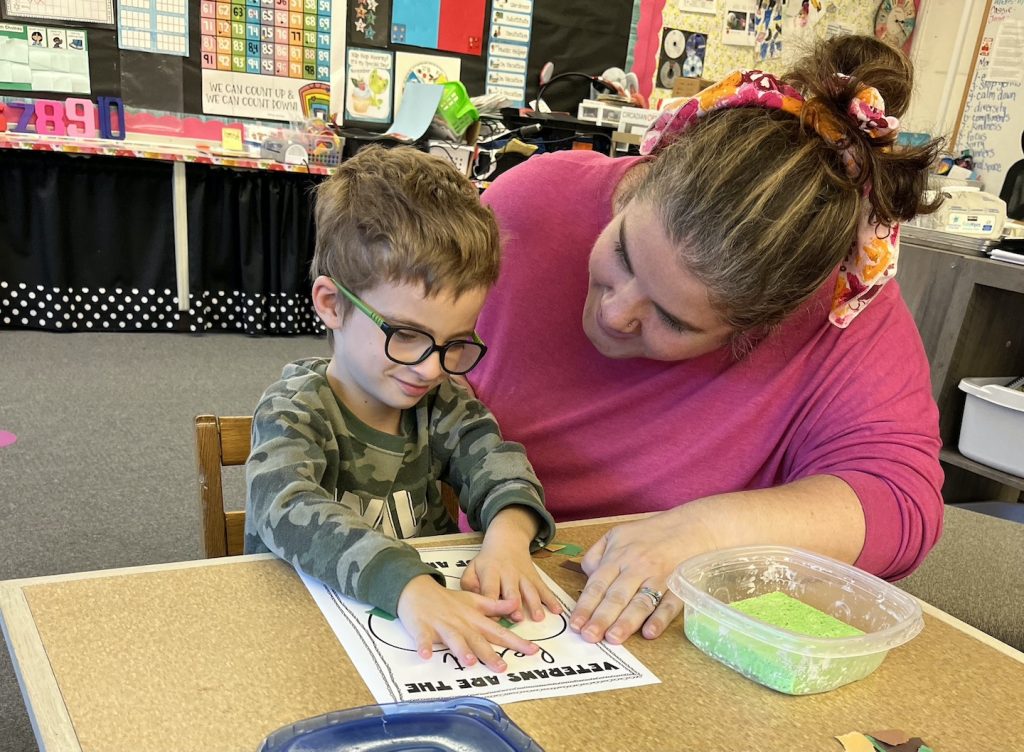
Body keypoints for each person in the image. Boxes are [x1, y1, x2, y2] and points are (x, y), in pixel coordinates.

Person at [468, 35, 945, 646]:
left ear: (761, 326)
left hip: (655, 639)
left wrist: (711, 534)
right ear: (644, 177)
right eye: (621, 251)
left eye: (675, 321)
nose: (615, 313)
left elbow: (901, 505)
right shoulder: (529, 206)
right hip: (484, 573)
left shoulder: (842, 313)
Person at [245, 146, 558, 673]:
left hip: (418, 647)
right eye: (408, 335)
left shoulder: (441, 401)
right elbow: (285, 506)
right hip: (305, 634)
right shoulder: (295, 408)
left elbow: (497, 462)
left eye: (456, 342)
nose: (432, 368)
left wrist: (509, 535)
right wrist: (407, 585)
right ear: (332, 304)